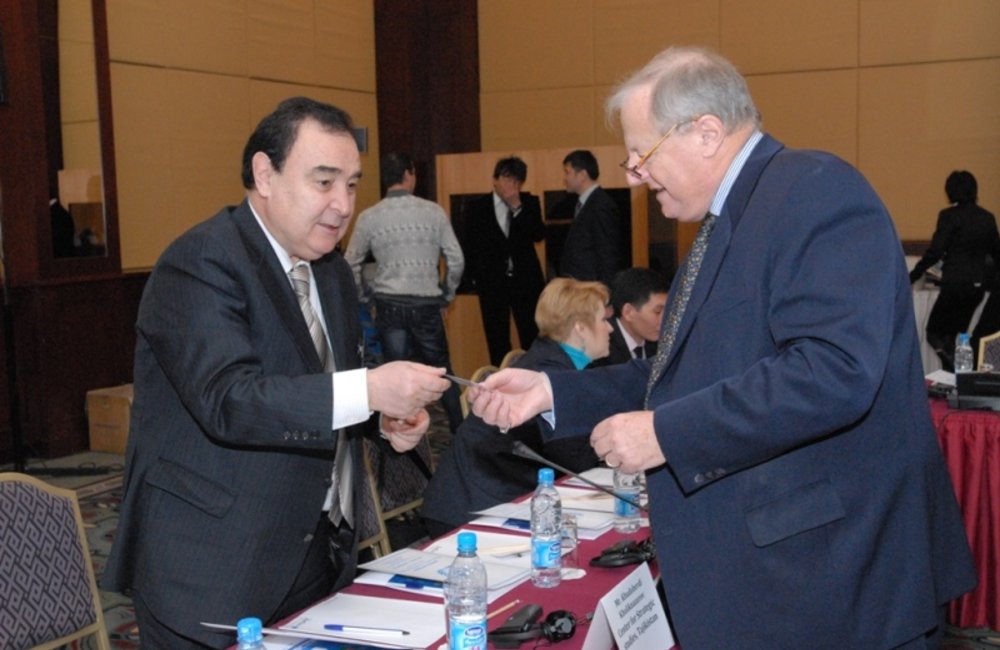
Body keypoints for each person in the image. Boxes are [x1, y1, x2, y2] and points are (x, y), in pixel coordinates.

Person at [469, 46, 975, 649]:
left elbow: (833, 371)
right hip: (781, 579)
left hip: (834, 580)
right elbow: (683, 373)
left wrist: (666, 433)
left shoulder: (815, 191)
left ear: (707, 133)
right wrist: (552, 390)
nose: (633, 174)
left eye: (642, 153)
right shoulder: (724, 223)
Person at [101, 97, 449, 649]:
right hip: (212, 567)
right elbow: (230, 400)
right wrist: (369, 390)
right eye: (324, 182)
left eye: (351, 185)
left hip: (314, 553)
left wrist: (381, 420)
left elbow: (323, 386)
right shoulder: (200, 261)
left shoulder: (331, 272)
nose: (343, 205)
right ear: (265, 174)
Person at [421, 277, 610, 537]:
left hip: (492, 496)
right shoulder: (547, 374)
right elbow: (576, 458)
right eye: (603, 320)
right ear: (581, 328)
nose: (610, 328)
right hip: (470, 509)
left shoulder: (552, 362)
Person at [344, 152, 465, 433]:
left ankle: (398, 439)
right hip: (427, 306)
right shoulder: (433, 212)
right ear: (409, 175)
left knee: (394, 376)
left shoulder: (369, 217)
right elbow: (456, 260)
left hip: (389, 305)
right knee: (442, 372)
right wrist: (446, 296)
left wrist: (367, 299)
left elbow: (350, 263)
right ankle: (462, 434)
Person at [460, 156, 546, 366]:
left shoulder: (529, 202)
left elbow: (538, 234)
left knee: (531, 334)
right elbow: (468, 246)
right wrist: (473, 279)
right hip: (492, 284)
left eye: (517, 181)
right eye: (507, 179)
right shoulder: (477, 207)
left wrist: (517, 206)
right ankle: (502, 378)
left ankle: (534, 374)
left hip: (526, 283)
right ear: (495, 179)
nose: (511, 185)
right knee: (496, 338)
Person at [909, 170, 999, 370]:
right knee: (953, 337)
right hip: (977, 288)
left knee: (934, 333)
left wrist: (913, 275)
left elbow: (935, 252)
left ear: (950, 191)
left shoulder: (949, 216)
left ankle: (957, 371)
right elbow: (996, 253)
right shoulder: (987, 218)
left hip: (954, 285)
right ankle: (955, 374)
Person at [558, 149, 627, 285]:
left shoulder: (601, 205)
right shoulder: (586, 203)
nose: (565, 178)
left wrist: (605, 292)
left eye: (567, 172)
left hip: (591, 289)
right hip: (580, 287)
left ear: (582, 175)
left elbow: (607, 254)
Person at [594, 266, 668, 365]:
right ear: (628, 312)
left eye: (668, 311)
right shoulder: (600, 349)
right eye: (658, 312)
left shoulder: (663, 345)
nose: (665, 319)